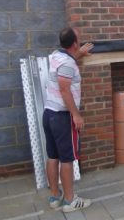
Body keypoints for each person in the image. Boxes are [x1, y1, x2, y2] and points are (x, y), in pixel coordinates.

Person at [42, 27, 94, 213]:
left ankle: (55, 197)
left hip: (49, 114)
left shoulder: (57, 56)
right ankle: (70, 200)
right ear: (74, 43)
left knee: (53, 156)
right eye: (78, 39)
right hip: (62, 117)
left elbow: (66, 64)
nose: (80, 40)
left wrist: (78, 54)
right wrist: (76, 114)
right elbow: (65, 89)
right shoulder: (68, 65)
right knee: (67, 158)